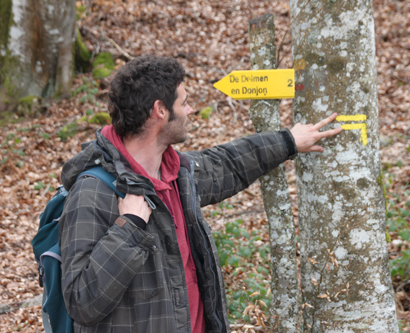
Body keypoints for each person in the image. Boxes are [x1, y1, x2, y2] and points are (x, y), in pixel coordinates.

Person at [59, 55, 342, 333]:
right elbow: (81, 302)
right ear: (160, 110)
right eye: (184, 102)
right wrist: (129, 229)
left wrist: (288, 140)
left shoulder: (176, 173)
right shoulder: (93, 191)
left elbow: (229, 162)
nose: (191, 110)